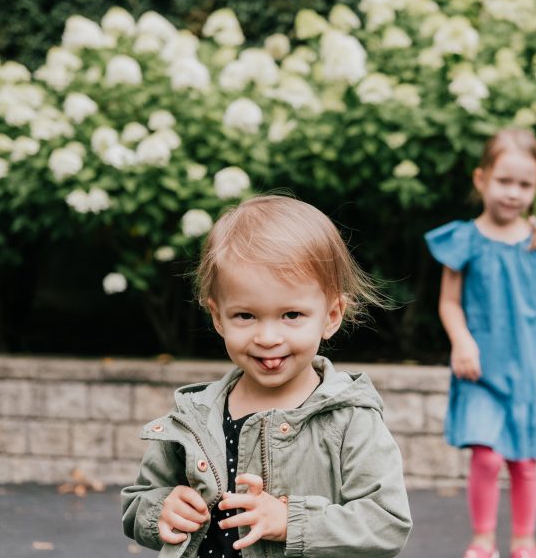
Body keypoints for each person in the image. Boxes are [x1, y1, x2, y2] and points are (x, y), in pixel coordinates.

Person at [121, 195, 412, 558]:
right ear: (217, 316)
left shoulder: (349, 419)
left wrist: (292, 521)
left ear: (332, 315)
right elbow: (138, 501)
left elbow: (386, 523)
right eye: (246, 316)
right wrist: (161, 509)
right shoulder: (195, 415)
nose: (268, 337)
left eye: (291, 315)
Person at [425, 129, 536, 558]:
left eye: (525, 185)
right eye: (504, 181)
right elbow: (449, 303)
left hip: (531, 367)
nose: (513, 193)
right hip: (479, 367)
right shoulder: (464, 239)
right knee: (487, 455)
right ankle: (482, 539)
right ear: (481, 179)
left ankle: (523, 541)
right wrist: (461, 342)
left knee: (524, 460)